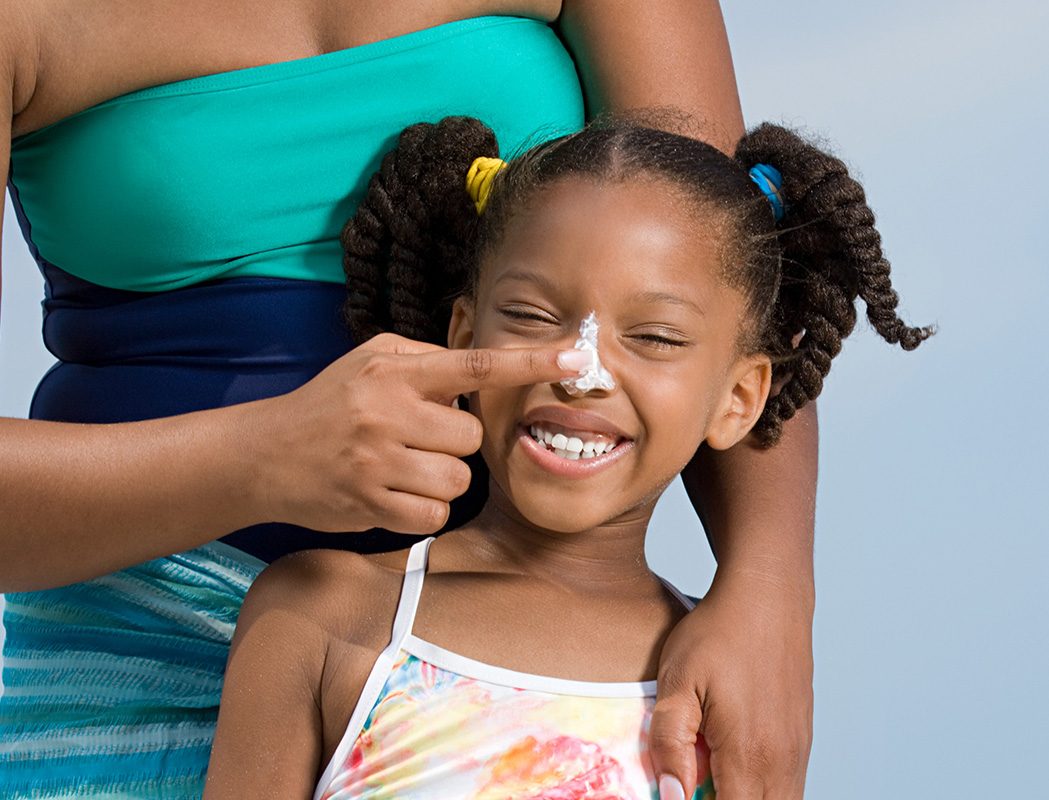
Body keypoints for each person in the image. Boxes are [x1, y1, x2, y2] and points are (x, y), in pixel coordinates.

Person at [1, 3, 820, 798]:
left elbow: (726, 277)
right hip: (119, 684)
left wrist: (768, 594)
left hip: (497, 683)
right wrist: (259, 460)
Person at [202, 115, 933, 800]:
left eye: (654, 337)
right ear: (462, 335)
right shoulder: (327, 618)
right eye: (529, 316)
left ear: (738, 399)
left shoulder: (724, 689)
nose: (580, 369)